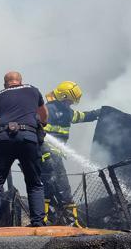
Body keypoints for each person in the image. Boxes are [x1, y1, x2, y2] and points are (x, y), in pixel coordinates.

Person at [0, 71, 48, 227]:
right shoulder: (33, 90)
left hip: (4, 138)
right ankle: (38, 222)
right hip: (28, 137)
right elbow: (44, 114)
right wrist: (42, 123)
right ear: (20, 81)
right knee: (34, 182)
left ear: (5, 84)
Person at [41, 81, 100, 226]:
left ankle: (43, 220)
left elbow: (81, 116)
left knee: (47, 189)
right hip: (49, 155)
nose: (70, 104)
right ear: (62, 96)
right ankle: (73, 222)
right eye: (69, 101)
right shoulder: (47, 110)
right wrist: (44, 153)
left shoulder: (66, 112)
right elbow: (37, 131)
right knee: (63, 187)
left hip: (49, 156)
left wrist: (97, 113)